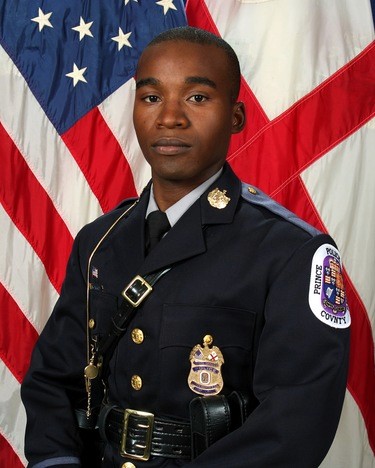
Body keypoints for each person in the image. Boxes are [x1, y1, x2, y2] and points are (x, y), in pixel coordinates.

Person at [21, 26, 350, 468]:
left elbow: (293, 426)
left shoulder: (291, 252)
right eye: (152, 97)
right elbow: (53, 381)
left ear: (236, 117)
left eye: (197, 97)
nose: (169, 118)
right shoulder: (100, 242)